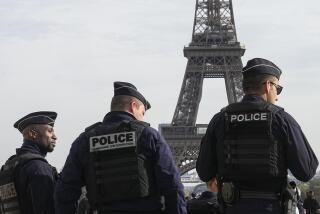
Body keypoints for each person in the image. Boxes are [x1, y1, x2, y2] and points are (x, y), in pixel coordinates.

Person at [196, 58, 319, 214]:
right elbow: (306, 171)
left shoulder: (220, 120)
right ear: (268, 86)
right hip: (270, 207)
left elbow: (204, 172)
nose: (277, 96)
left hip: (232, 207)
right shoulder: (282, 119)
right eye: (278, 89)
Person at [55, 81, 186, 214]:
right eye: (142, 112)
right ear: (133, 106)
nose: (142, 118)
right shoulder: (148, 135)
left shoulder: (84, 141)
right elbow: (172, 186)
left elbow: (66, 191)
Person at [0, 111, 58, 214]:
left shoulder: (8, 167)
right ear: (33, 134)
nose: (55, 136)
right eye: (50, 131)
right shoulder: (38, 167)